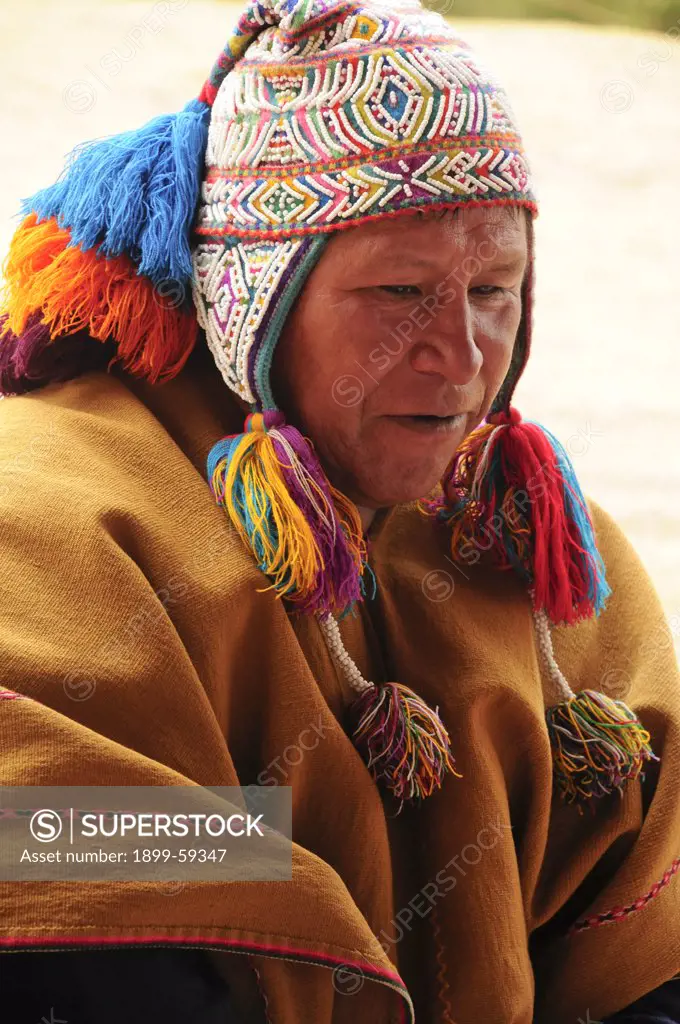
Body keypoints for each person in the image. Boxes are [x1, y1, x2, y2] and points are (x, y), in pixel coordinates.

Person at [0, 0, 679, 1020]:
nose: (459, 358)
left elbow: (641, 916)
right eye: (400, 291)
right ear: (251, 301)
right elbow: (49, 846)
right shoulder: (53, 507)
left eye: (494, 290)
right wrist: (267, 883)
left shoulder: (524, 540)